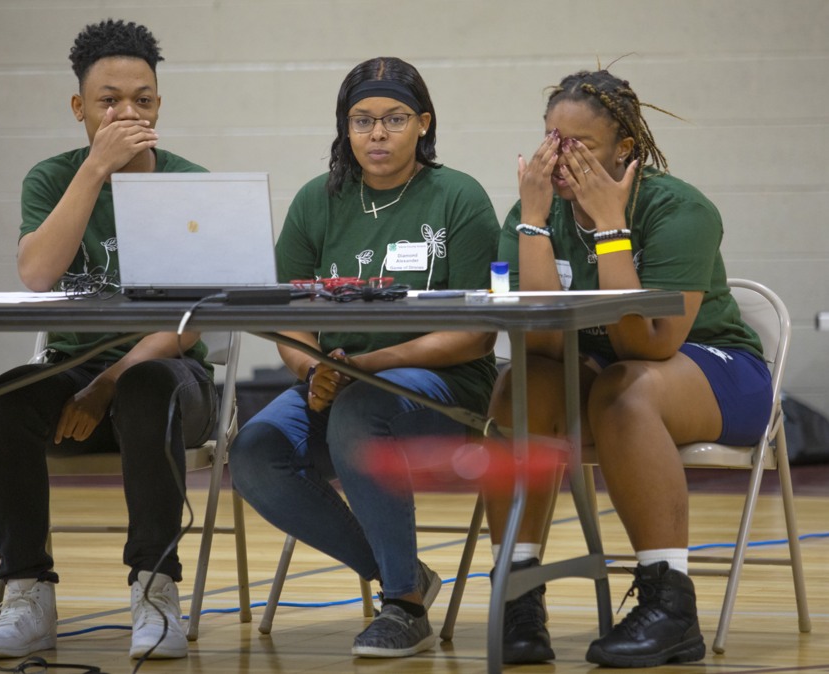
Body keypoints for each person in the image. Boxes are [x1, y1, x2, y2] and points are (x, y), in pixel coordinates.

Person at [488, 68, 772, 667]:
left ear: (626, 149)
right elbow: (538, 341)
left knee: (625, 389)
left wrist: (612, 229)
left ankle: (670, 603)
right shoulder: (533, 207)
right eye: (550, 140)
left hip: (711, 369)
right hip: (606, 371)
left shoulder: (679, 208)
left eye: (580, 145)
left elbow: (652, 342)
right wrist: (534, 224)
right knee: (523, 386)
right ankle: (518, 591)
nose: (559, 160)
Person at [229, 56, 500, 659]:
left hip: (443, 387)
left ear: (423, 124)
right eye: (361, 121)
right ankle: (402, 573)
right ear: (344, 129)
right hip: (337, 380)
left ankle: (403, 606)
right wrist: (311, 370)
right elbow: (284, 315)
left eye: (394, 119)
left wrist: (359, 371)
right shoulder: (316, 201)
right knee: (255, 451)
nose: (377, 134)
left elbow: (477, 336)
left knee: (358, 413)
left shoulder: (459, 197)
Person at [0, 19, 217, 661]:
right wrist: (96, 171)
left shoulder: (190, 184)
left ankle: (154, 588)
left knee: (144, 386)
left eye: (141, 99)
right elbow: (36, 273)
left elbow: (182, 325)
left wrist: (103, 385)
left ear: (159, 105)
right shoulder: (51, 179)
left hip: (168, 381)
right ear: (79, 108)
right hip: (71, 370)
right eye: (108, 101)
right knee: (6, 397)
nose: (126, 112)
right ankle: (26, 593)